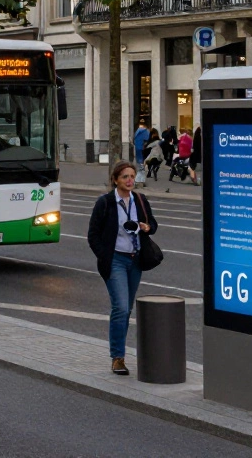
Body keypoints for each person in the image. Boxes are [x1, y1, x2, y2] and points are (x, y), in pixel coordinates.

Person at [87, 161, 158, 376]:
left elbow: (153, 225)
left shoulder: (140, 200)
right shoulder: (106, 203)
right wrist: (105, 255)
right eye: (125, 177)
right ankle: (117, 357)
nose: (130, 181)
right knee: (121, 308)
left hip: (135, 260)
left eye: (132, 176)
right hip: (116, 260)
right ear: (115, 179)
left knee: (126, 309)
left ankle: (120, 354)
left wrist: (146, 227)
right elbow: (93, 235)